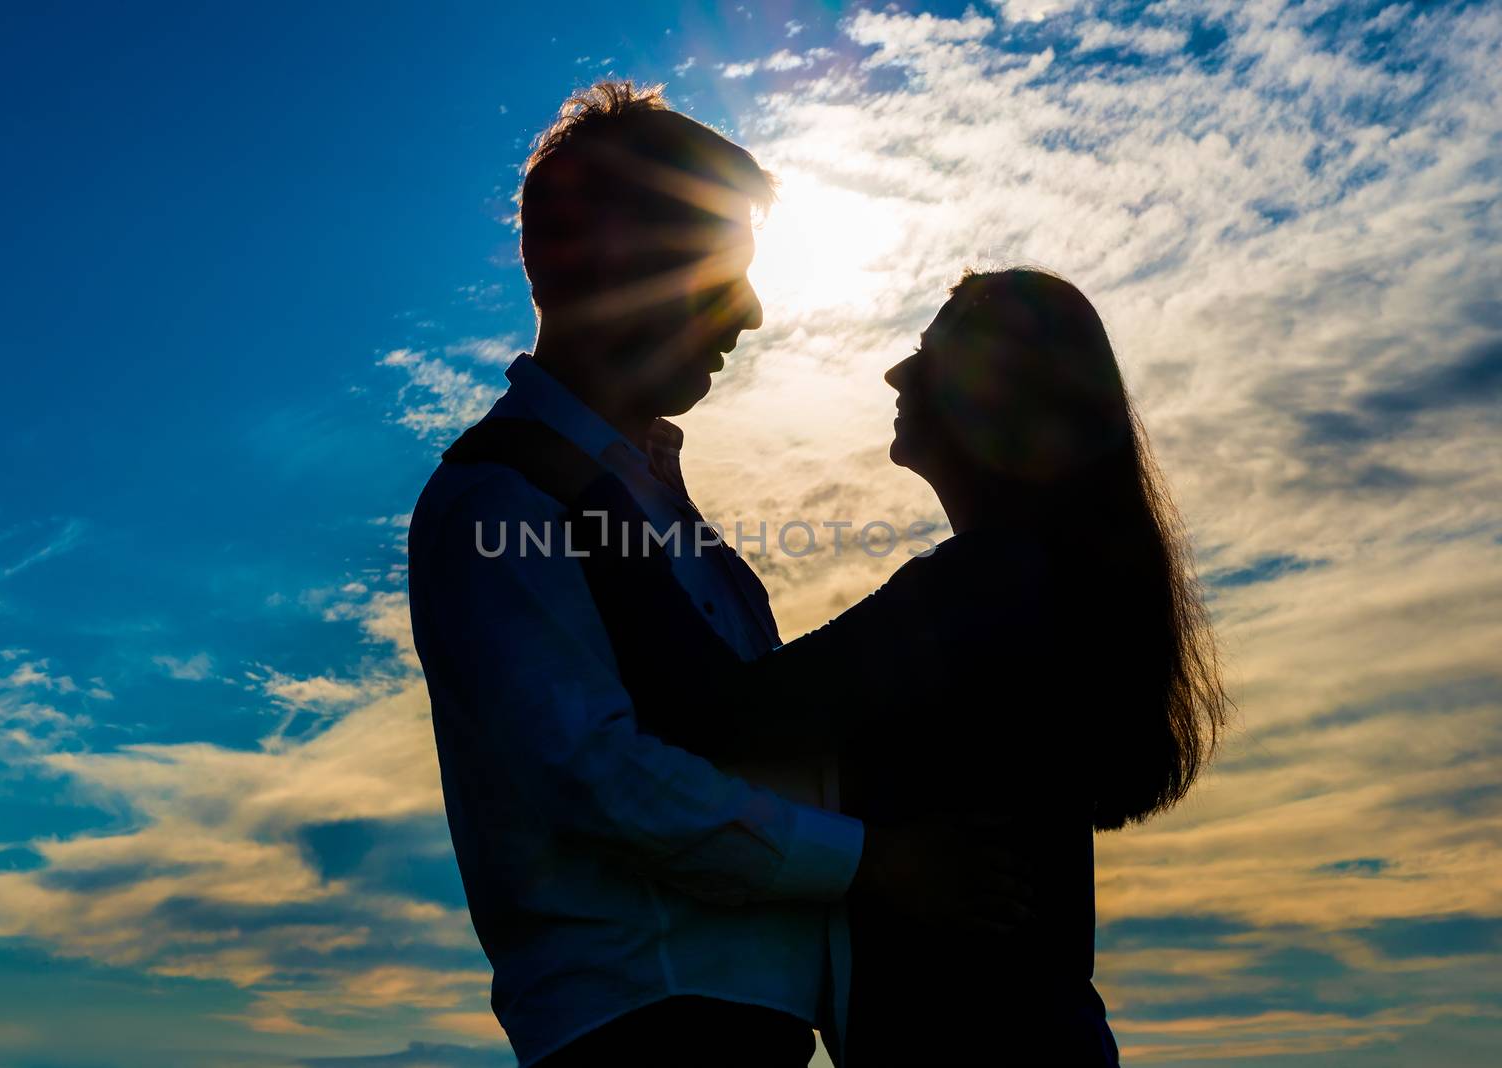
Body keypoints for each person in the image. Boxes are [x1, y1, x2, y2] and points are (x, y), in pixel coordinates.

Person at [407, 82, 1023, 1068]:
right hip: (648, 1027)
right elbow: (593, 775)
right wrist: (874, 867)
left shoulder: (643, 501)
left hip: (733, 1026)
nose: (752, 313)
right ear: (596, 258)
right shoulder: (500, 501)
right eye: (715, 271)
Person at [550, 267, 1232, 1065]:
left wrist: (589, 496)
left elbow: (722, 717)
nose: (895, 372)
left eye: (930, 356)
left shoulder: (986, 589)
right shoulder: (1025, 581)